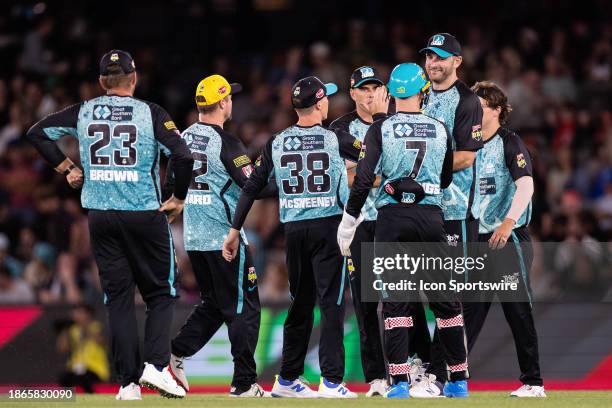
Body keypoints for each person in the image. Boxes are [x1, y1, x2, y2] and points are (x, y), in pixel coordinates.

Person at [26, 50, 193, 400]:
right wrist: (178, 197)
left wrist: (68, 168)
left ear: (102, 82)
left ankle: (128, 384)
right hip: (144, 215)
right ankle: (157, 366)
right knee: (161, 293)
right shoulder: (151, 113)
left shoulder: (84, 111)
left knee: (117, 300)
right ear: (134, 78)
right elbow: (183, 154)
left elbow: (38, 133)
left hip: (100, 218)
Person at [223, 76, 368, 398]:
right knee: (331, 304)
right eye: (326, 98)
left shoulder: (276, 142)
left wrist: (234, 230)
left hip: (294, 232)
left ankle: (287, 379)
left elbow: (252, 187)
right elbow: (372, 158)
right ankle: (331, 381)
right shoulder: (337, 138)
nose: (328, 102)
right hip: (328, 227)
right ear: (319, 103)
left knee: (300, 305)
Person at [337, 63, 468, 399]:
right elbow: (444, 179)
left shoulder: (380, 128)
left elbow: (364, 179)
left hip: (392, 218)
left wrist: (349, 221)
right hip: (431, 216)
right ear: (423, 91)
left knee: (395, 304)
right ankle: (457, 381)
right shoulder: (439, 127)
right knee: (445, 302)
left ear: (392, 93)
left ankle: (397, 385)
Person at [164, 74, 276, 398]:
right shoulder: (227, 144)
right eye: (231, 99)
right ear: (224, 102)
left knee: (215, 305)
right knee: (245, 308)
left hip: (194, 241)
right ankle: (244, 383)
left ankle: (176, 352)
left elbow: (173, 185)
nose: (232, 104)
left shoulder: (184, 138)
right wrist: (286, 183)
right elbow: (254, 187)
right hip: (223, 240)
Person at [467, 80, 545, 398]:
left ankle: (533, 382)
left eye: (479, 105)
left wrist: (508, 223)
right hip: (476, 240)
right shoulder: (466, 144)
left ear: (496, 110)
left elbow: (526, 186)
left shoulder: (510, 142)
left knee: (517, 311)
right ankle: (446, 375)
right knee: (467, 312)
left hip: (507, 240)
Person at [416, 33, 484, 398]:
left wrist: (422, 172)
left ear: (457, 61)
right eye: (429, 56)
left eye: (440, 57)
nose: (433, 63)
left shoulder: (468, 101)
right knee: (414, 291)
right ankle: (426, 367)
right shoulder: (420, 95)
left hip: (453, 210)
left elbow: (467, 156)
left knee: (447, 296)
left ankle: (442, 375)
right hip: (421, 210)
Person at [328, 66, 388, 397]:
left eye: (374, 87)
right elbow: (350, 177)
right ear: (352, 93)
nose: (370, 93)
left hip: (394, 220)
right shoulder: (339, 130)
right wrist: (384, 174)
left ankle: (411, 366)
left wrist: (366, 172)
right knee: (366, 304)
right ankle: (377, 376)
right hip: (361, 222)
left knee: (406, 298)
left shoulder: (392, 121)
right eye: (363, 89)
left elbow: (363, 171)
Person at [57, 304, 110, 393]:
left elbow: (101, 342)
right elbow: (62, 349)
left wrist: (85, 326)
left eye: (79, 313)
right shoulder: (73, 330)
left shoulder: (97, 327)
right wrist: (64, 330)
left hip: (95, 368)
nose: (76, 315)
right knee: (64, 378)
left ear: (88, 314)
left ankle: (91, 398)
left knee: (85, 379)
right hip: (76, 367)